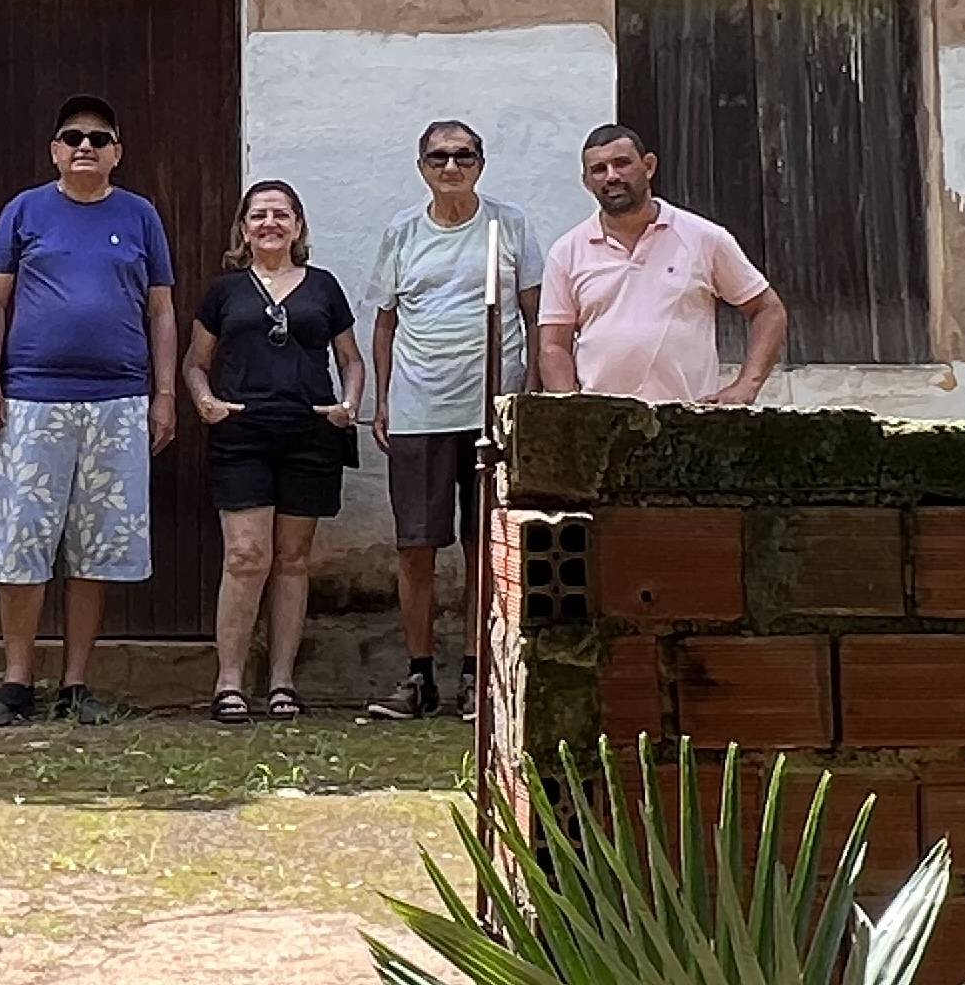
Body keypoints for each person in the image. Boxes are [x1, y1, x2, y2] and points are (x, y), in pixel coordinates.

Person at [0, 95, 180, 727]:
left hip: (118, 401)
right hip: (31, 399)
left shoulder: (140, 215)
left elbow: (162, 309)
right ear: (55, 151)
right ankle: (15, 684)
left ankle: (76, 684)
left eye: (98, 138)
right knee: (21, 541)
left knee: (98, 548)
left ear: (117, 152)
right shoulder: (25, 210)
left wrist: (164, 392)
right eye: (72, 138)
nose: (84, 147)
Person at [362, 118, 542, 720]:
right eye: (438, 157)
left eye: (463, 156)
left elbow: (536, 314)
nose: (451, 168)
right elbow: (385, 320)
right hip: (419, 409)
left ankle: (475, 674)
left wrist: (532, 392)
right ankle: (418, 676)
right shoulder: (403, 232)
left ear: (480, 164)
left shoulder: (508, 225)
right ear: (421, 167)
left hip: (491, 409)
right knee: (416, 546)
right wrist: (382, 400)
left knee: (482, 544)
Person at [185, 178, 367, 722]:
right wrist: (205, 402)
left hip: (309, 433)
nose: (270, 223)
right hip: (242, 434)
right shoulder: (225, 291)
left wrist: (349, 405)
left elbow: (351, 359)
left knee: (292, 560)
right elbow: (196, 361)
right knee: (245, 557)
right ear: (243, 228)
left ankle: (284, 682)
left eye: (281, 215)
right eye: (259, 215)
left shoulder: (324, 287)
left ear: (298, 226)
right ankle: (230, 683)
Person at [535, 120, 790, 406]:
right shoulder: (567, 251)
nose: (612, 176)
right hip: (602, 424)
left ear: (649, 166)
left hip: (688, 418)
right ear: (586, 182)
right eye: (599, 169)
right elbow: (554, 345)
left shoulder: (703, 238)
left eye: (622, 163)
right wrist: (570, 411)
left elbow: (768, 310)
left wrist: (747, 386)